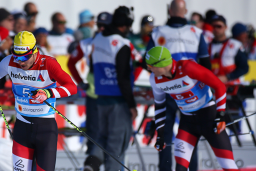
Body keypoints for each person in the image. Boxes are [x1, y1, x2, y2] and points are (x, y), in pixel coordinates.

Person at [0, 31, 77, 171]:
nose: (21, 62)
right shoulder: (9, 62)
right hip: (22, 129)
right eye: (17, 56)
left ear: (34, 51)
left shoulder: (48, 64)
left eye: (25, 57)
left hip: (45, 129)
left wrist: (48, 92)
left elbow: (72, 87)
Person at [147, 46, 239, 171]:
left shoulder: (187, 67)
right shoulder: (154, 79)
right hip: (187, 123)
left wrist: (221, 115)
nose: (148, 68)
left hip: (209, 118)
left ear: (161, 64)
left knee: (229, 167)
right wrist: (160, 135)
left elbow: (219, 86)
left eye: (150, 65)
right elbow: (159, 106)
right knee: (180, 168)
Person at [145, 0, 211, 170]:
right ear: (185, 11)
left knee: (165, 135)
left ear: (169, 11)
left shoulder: (157, 32)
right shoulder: (196, 32)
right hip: (192, 92)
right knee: (191, 135)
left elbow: (148, 62)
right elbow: (206, 65)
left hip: (167, 91)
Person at [83, 6, 138, 171]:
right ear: (127, 24)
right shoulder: (122, 44)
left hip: (100, 98)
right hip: (118, 101)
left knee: (101, 139)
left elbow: (92, 66)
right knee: (115, 145)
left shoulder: (98, 38)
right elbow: (123, 78)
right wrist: (132, 104)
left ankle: (90, 166)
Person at [67, 11, 112, 156]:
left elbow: (136, 63)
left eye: (106, 25)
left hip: (114, 96)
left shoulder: (117, 41)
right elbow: (71, 63)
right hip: (94, 94)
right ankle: (92, 163)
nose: (102, 29)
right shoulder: (86, 43)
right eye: (100, 25)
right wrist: (80, 82)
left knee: (111, 133)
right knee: (94, 133)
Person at [209, 15, 249, 85]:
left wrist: (227, 77)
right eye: (213, 26)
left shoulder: (235, 45)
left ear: (225, 27)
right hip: (214, 87)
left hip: (232, 87)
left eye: (219, 26)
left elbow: (244, 68)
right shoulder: (206, 46)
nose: (216, 29)